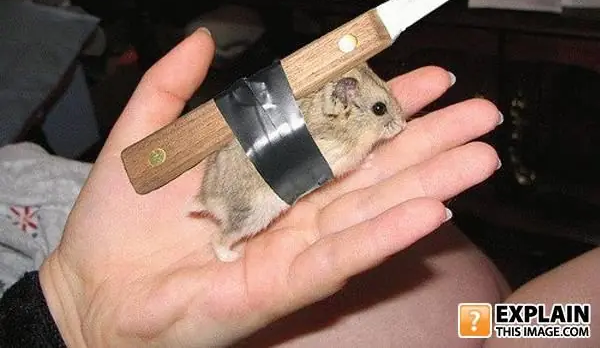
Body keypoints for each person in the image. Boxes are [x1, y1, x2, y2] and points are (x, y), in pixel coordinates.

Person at [1, 29, 597, 347]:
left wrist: (62, 319)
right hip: (492, 327)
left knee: (507, 320)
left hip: (495, 324)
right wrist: (75, 323)